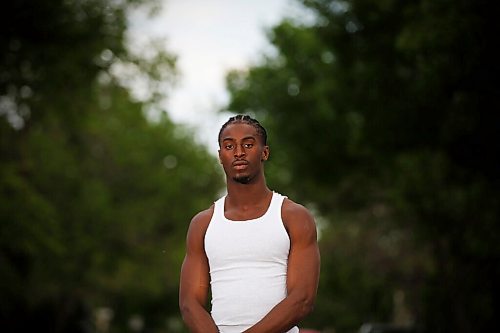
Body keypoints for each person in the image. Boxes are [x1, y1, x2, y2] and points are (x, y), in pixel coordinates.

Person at [179, 114, 320, 333]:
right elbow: (190, 304)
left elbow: (302, 299)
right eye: (229, 146)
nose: (238, 153)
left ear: (264, 152)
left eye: (248, 144)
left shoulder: (293, 217)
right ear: (220, 156)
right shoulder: (203, 223)